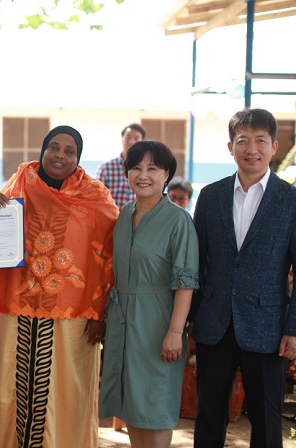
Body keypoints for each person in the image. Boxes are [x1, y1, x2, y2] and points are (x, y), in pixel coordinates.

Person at [0, 125, 119, 447]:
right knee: (10, 389)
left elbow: (111, 256)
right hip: (16, 307)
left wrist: (100, 314)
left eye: (69, 151)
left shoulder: (95, 198)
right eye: (53, 147)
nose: (60, 155)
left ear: (78, 158)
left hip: (73, 316)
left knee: (66, 390)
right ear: (42, 151)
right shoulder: (16, 189)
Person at [191, 108, 296, 447]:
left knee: (266, 421)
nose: (252, 148)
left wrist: (292, 329)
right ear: (230, 147)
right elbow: (197, 263)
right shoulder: (210, 196)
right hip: (214, 323)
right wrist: (190, 320)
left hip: (268, 326)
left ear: (274, 146)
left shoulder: (291, 200)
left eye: (260, 140)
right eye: (243, 141)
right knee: (208, 413)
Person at [99, 140, 199, 448]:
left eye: (152, 169)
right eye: (136, 168)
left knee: (155, 406)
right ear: (127, 173)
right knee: (133, 406)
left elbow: (186, 281)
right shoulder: (123, 216)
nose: (143, 175)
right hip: (122, 320)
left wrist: (174, 332)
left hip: (158, 321)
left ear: (166, 174)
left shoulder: (178, 219)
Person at [95, 123, 146, 209]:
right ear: (122, 139)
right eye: (128, 137)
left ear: (143, 141)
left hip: (139, 220)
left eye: (136, 138)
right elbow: (96, 197)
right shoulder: (105, 168)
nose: (131, 142)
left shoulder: (146, 170)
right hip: (111, 219)